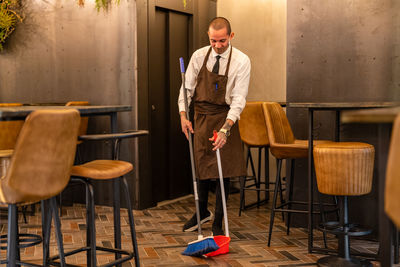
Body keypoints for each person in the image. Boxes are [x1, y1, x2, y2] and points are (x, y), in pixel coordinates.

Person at [178, 17, 251, 236]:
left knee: (223, 171)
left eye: (222, 41)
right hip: (200, 117)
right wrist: (183, 115)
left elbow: (239, 99)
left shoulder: (241, 61)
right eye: (213, 41)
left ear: (231, 36)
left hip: (224, 117)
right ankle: (201, 212)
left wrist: (225, 129)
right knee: (201, 166)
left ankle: (218, 221)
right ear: (208, 36)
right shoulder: (199, 56)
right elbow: (185, 89)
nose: (218, 46)